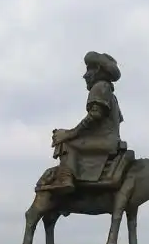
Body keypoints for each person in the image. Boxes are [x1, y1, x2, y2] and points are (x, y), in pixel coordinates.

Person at [45, 51, 124, 193]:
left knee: (65, 142)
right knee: (64, 135)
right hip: (108, 139)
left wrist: (69, 134)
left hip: (105, 141)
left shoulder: (100, 86)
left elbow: (95, 115)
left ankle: (66, 179)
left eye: (88, 70)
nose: (85, 75)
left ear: (97, 70)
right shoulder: (110, 93)